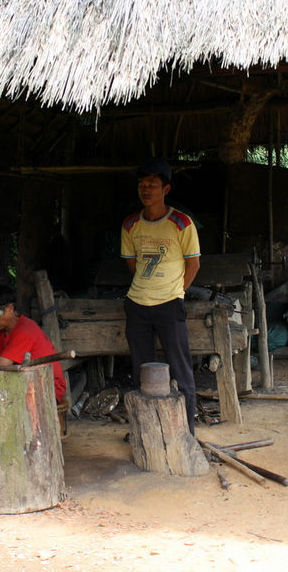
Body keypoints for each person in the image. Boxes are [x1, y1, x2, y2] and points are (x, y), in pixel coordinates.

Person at [121, 158, 201, 433]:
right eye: (142, 184)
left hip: (170, 305)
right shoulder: (131, 224)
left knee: (180, 370)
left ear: (166, 189)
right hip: (137, 305)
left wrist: (176, 293)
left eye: (152, 184)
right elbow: (132, 264)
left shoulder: (181, 223)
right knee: (140, 369)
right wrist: (145, 289)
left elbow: (194, 264)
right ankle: (145, 431)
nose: (146, 189)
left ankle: (187, 433)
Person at [0, 286, 67, 403]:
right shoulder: (3, 332)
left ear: (10, 309)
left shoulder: (25, 330)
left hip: (49, 389)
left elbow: (1, 365)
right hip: (28, 383)